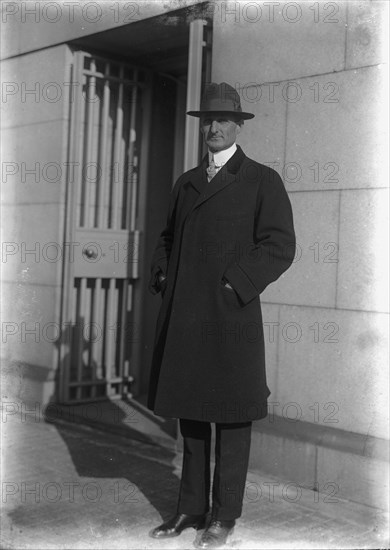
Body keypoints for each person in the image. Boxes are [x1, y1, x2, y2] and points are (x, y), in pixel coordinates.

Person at [147, 82, 296, 548]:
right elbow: (167, 238)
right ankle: (190, 508)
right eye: (207, 120)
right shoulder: (186, 182)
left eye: (223, 120)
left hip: (231, 319)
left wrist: (236, 283)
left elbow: (278, 245)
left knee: (231, 418)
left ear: (238, 125)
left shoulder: (261, 179)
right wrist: (163, 274)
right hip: (187, 318)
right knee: (191, 414)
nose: (214, 127)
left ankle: (224, 516)